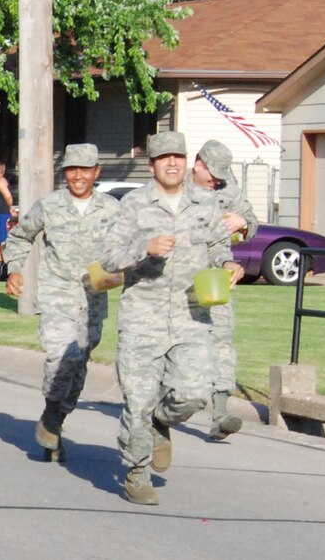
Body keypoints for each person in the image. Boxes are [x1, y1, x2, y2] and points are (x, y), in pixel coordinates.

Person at [97, 131, 243, 506]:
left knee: (194, 393)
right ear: (152, 165)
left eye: (178, 156)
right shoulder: (132, 204)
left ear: (187, 161)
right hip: (142, 318)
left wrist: (227, 263)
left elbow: (217, 245)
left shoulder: (206, 203)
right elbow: (109, 258)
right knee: (138, 401)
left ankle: (162, 422)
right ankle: (136, 472)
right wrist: (142, 247)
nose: (173, 163)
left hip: (191, 316)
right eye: (165, 158)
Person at [1, 143, 123, 461]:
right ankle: (53, 410)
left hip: (93, 299)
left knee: (78, 364)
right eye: (71, 169)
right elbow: (19, 236)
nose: (78, 176)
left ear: (97, 172)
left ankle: (56, 421)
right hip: (57, 294)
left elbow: (130, 246)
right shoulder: (49, 206)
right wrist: (14, 270)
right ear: (64, 173)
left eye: (85, 169)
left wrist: (122, 269)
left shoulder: (113, 209)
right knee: (60, 357)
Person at [192, 139, 257, 440]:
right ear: (198, 163)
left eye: (221, 174)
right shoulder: (173, 184)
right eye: (212, 173)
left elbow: (251, 220)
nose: (216, 180)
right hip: (175, 279)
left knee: (221, 338)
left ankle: (220, 412)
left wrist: (243, 223)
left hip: (215, 275)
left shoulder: (228, 187)